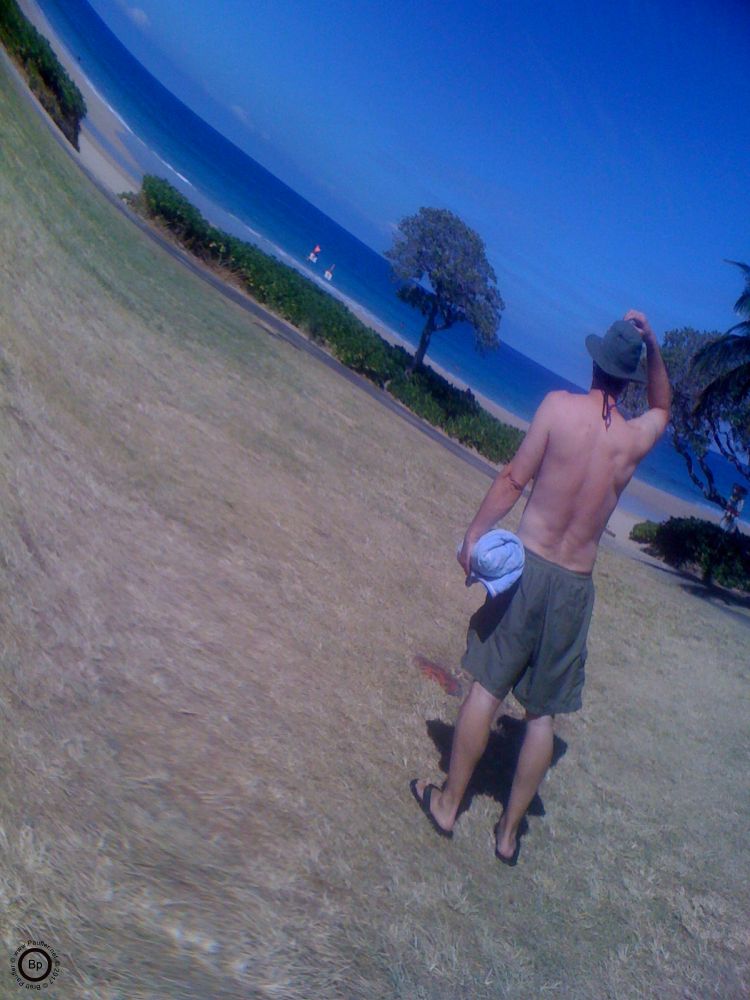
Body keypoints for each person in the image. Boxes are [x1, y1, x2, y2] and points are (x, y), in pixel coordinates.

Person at [411, 309, 671, 864]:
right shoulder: (632, 442)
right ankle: (507, 837)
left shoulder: (557, 407)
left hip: (528, 569)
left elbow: (512, 478)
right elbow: (663, 406)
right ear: (626, 379)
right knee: (541, 716)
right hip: (575, 583)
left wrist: (474, 536)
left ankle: (448, 805)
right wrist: (652, 345)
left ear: (595, 364)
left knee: (486, 689)